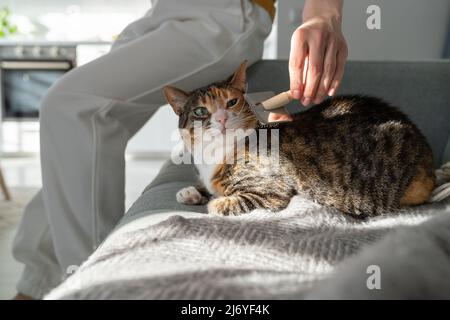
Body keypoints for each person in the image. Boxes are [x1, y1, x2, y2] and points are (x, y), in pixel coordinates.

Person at [12, 0, 347, 299]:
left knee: (70, 105)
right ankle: (37, 283)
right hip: (162, 10)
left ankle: (98, 289)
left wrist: (321, 14)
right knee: (70, 132)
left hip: (224, 12)